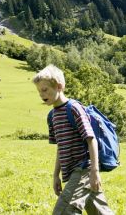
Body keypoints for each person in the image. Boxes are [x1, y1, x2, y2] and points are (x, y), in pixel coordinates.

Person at [33, 64, 114, 215]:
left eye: (45, 90)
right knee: (100, 211)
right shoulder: (52, 116)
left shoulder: (74, 108)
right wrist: (56, 175)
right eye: (39, 91)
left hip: (83, 169)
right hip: (71, 172)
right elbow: (60, 147)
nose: (41, 94)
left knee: (63, 211)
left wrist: (95, 172)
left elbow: (92, 140)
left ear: (59, 86)